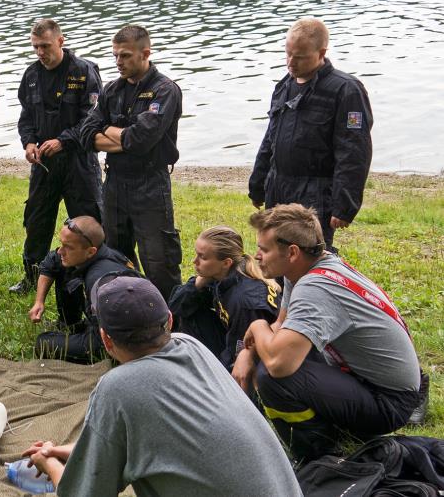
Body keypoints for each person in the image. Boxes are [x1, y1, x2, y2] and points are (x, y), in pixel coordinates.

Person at [22, 276, 300, 496]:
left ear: (106, 340)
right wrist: (72, 452)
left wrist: (48, 463)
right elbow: (156, 442)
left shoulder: (117, 388)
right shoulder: (191, 347)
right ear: (168, 319)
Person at [245, 203, 423, 462]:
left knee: (273, 377)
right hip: (367, 379)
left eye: (264, 249)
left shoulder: (316, 288)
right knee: (274, 349)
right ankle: (334, 429)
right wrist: (245, 353)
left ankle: (317, 455)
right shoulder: (306, 270)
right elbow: (281, 327)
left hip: (389, 401)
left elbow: (278, 364)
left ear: (292, 252)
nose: (257, 256)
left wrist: (257, 325)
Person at [248, 17, 374, 250]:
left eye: (300, 56)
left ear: (321, 52)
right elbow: (270, 140)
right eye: (288, 53)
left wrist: (344, 205)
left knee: (309, 258)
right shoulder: (284, 86)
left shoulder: (346, 90)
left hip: (315, 193)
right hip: (278, 186)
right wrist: (257, 184)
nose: (291, 62)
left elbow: (354, 151)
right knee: (273, 255)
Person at [79, 24, 182, 301]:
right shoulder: (112, 90)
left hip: (150, 183)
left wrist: (110, 133)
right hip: (114, 183)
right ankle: (126, 316)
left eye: (124, 56)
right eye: (115, 56)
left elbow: (142, 140)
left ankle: (172, 325)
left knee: (159, 260)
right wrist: (122, 137)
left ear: (145, 53)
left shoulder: (165, 90)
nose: (118, 62)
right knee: (115, 256)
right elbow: (85, 134)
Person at [10, 19, 103, 295]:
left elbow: (93, 118)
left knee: (87, 224)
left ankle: (91, 277)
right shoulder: (31, 75)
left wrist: (64, 141)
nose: (40, 52)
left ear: (60, 42)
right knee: (36, 220)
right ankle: (32, 276)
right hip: (44, 164)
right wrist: (28, 143)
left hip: (79, 163)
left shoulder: (84, 71)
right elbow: (26, 116)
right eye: (36, 46)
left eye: (46, 46)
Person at [167, 226, 281, 380]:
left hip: (259, 356)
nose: (194, 261)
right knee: (190, 308)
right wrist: (198, 283)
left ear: (226, 263)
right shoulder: (221, 275)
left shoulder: (244, 301)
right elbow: (175, 308)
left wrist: (216, 379)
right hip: (233, 335)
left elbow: (241, 353)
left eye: (203, 257)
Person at [29, 216, 139, 364]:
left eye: (68, 247)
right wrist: (39, 302)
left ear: (91, 252)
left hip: (118, 338)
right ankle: (71, 323)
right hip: (102, 323)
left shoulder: (103, 281)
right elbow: (51, 262)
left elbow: (108, 340)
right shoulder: (91, 253)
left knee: (44, 343)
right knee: (64, 265)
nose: (61, 251)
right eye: (61, 244)